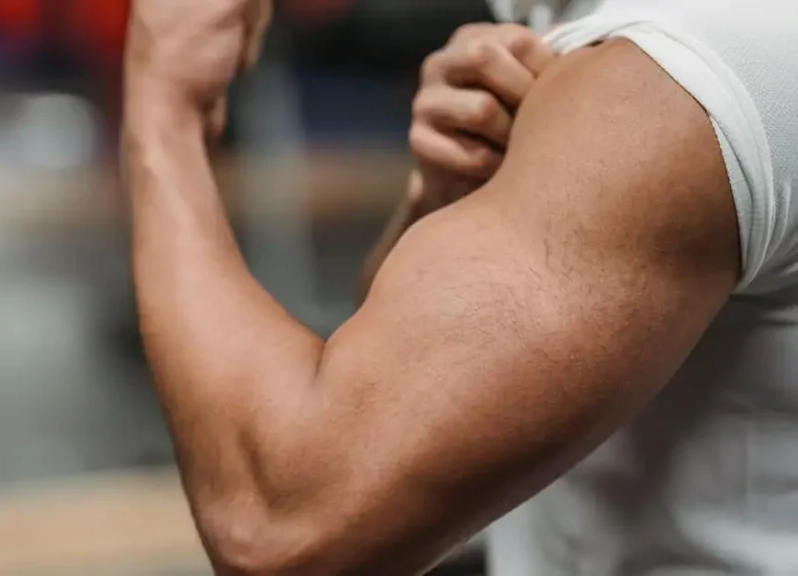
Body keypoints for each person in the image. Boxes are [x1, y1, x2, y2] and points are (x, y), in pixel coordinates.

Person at [123, 0, 798, 573]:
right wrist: (448, 200)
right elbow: (388, 388)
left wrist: (164, 109)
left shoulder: (677, 72)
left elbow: (281, 523)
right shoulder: (579, 32)